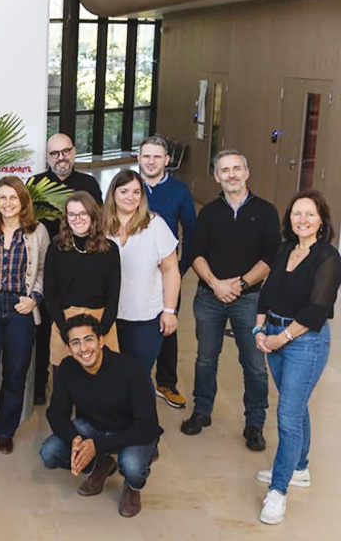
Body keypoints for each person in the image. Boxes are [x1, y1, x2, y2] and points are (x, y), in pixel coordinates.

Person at [182, 150, 280, 452]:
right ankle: (202, 412)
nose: (232, 174)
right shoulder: (209, 212)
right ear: (217, 177)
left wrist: (238, 284)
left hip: (250, 299)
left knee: (253, 363)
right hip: (209, 298)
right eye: (225, 170)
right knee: (205, 359)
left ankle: (254, 424)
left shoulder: (265, 211)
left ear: (247, 172)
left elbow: (270, 258)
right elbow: (196, 253)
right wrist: (215, 284)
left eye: (237, 168)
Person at [253, 190, 341, 525]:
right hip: (273, 333)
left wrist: (281, 339)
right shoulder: (285, 249)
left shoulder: (328, 258)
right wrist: (259, 331)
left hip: (304, 341)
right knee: (296, 404)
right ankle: (298, 468)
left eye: (310, 214)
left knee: (288, 413)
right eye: (296, 214)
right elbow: (268, 292)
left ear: (322, 221)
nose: (301, 220)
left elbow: (317, 308)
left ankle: (278, 490)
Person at [40, 314, 161, 518]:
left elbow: (148, 427)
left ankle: (132, 487)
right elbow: (56, 413)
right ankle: (102, 463)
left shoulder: (131, 370)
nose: (84, 349)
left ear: (101, 340)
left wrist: (96, 446)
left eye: (88, 339)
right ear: (69, 349)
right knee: (49, 453)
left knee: (132, 466)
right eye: (75, 343)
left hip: (132, 434)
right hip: (94, 430)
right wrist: (75, 440)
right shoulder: (69, 367)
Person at [0, 176, 49, 454]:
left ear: (23, 200)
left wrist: (34, 299)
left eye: (13, 197)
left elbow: (42, 272)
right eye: (2, 197)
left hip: (20, 308)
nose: (7, 203)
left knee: (15, 374)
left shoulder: (37, 232)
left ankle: (5, 431)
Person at [29, 132, 103, 404]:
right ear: (47, 158)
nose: (61, 158)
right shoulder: (35, 184)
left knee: (80, 330)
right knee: (45, 328)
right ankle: (40, 386)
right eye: (55, 154)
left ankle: (81, 386)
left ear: (74, 151)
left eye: (66, 151)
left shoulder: (88, 184)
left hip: (81, 266)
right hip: (47, 265)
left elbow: (98, 223)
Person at [138, 135, 197, 408]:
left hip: (166, 274)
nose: (151, 161)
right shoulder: (128, 186)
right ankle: (133, 381)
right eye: (146, 156)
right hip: (131, 273)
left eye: (157, 156)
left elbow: (192, 233)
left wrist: (179, 269)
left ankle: (166, 382)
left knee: (167, 326)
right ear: (139, 158)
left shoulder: (180, 190)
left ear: (166, 160)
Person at [102, 170, 180, 375]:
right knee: (109, 375)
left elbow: (171, 269)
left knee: (138, 376)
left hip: (145, 319)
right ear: (113, 194)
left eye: (136, 192)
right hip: (108, 316)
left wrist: (169, 311)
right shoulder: (100, 227)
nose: (130, 197)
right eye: (124, 191)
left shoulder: (155, 225)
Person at [43, 191, 121, 368]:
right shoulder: (56, 248)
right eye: (72, 214)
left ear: (93, 215)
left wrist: (100, 333)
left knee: (103, 385)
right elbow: (50, 294)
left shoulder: (110, 250)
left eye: (83, 213)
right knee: (65, 384)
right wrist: (66, 331)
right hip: (65, 322)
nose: (77, 219)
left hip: (102, 322)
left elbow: (113, 295)